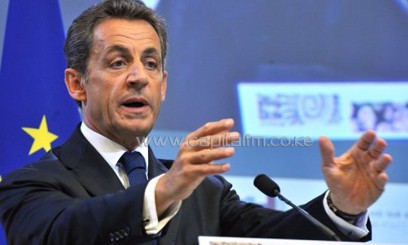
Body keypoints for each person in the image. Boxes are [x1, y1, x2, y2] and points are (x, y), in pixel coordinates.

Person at [0, 1, 392, 244]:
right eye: (118, 62)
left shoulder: (206, 192)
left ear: (164, 85)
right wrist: (164, 191)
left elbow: (279, 238)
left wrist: (342, 207)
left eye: (150, 64)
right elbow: (61, 234)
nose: (138, 77)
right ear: (76, 84)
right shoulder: (29, 183)